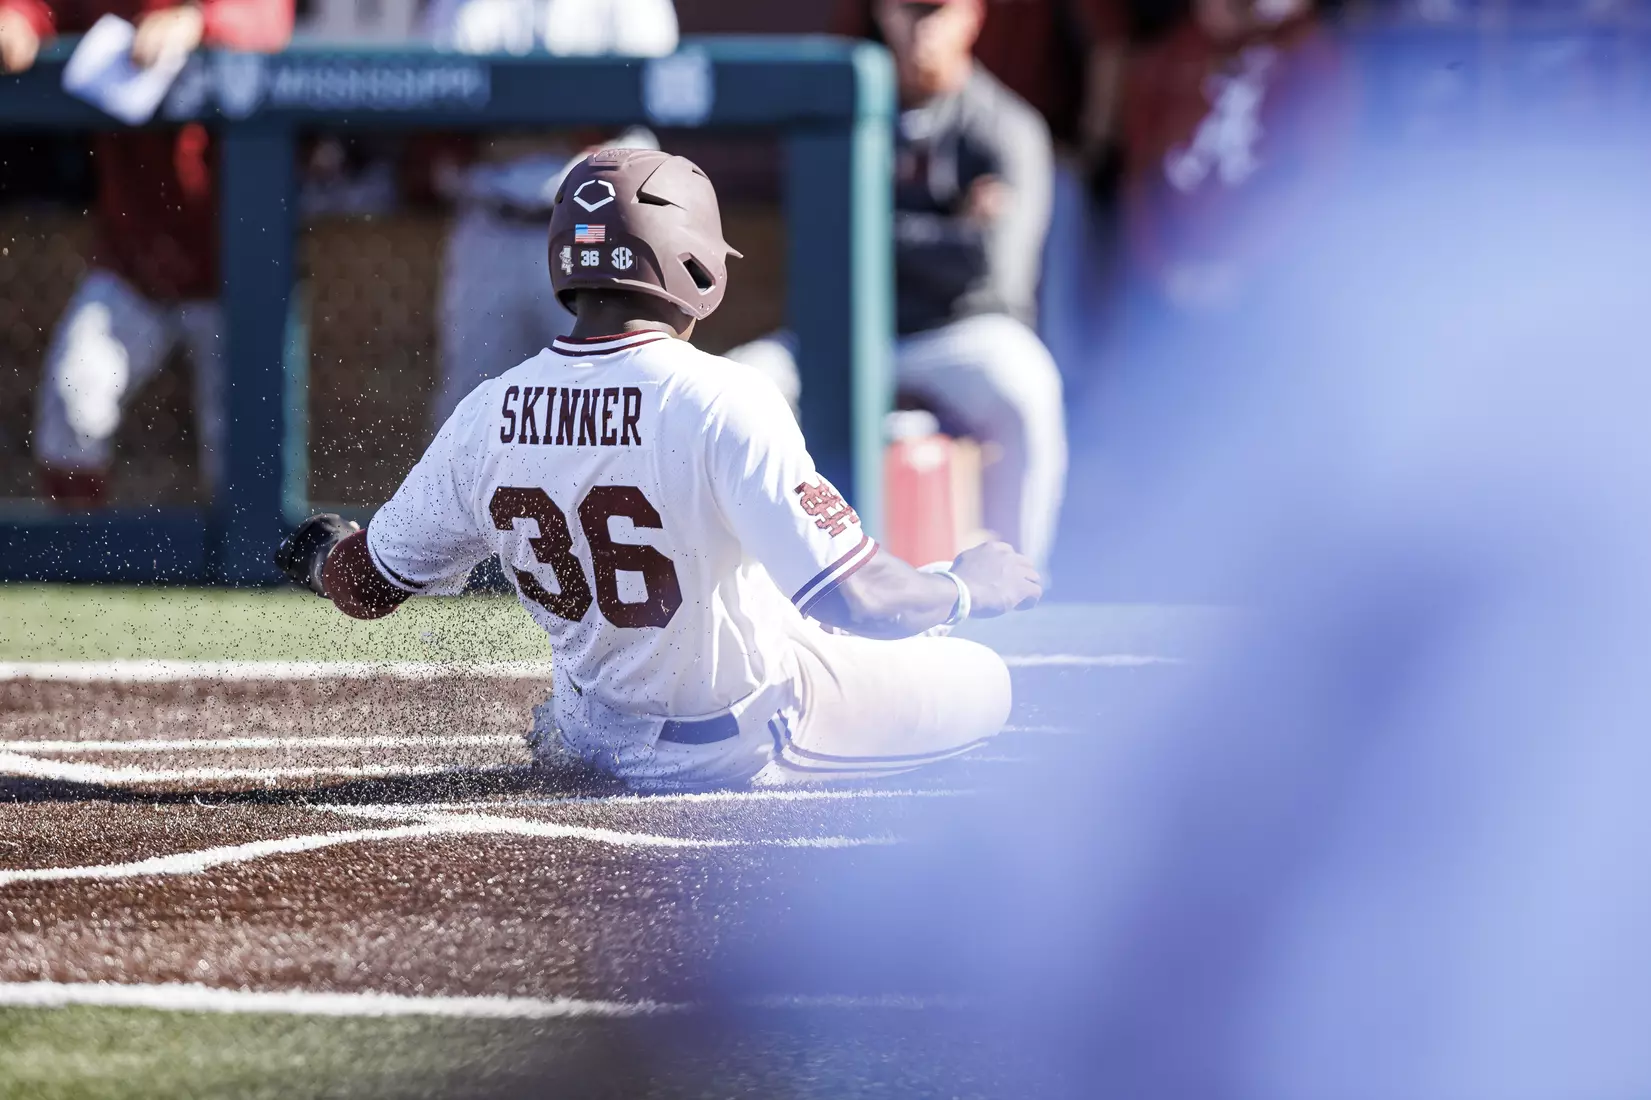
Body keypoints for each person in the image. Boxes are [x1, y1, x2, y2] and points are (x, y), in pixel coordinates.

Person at [276, 149, 1042, 790]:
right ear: (691, 261)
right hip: (730, 743)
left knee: (755, 589)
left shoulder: (487, 410)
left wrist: (320, 549)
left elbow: (363, 586)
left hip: (590, 732)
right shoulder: (724, 395)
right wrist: (963, 585)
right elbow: (860, 598)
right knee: (986, 679)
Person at [0, 0, 294, 506]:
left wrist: (197, 21)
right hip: (133, 261)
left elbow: (268, 15)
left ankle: (259, 577)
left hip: (238, 272)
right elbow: (43, 8)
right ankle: (83, 561)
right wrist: (18, 19)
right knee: (75, 399)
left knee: (245, 457)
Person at [420, 0, 676, 430]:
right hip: (492, 223)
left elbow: (631, 97)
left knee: (603, 402)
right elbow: (440, 103)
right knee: (469, 414)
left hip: (593, 228)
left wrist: (514, 118)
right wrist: (551, 115)